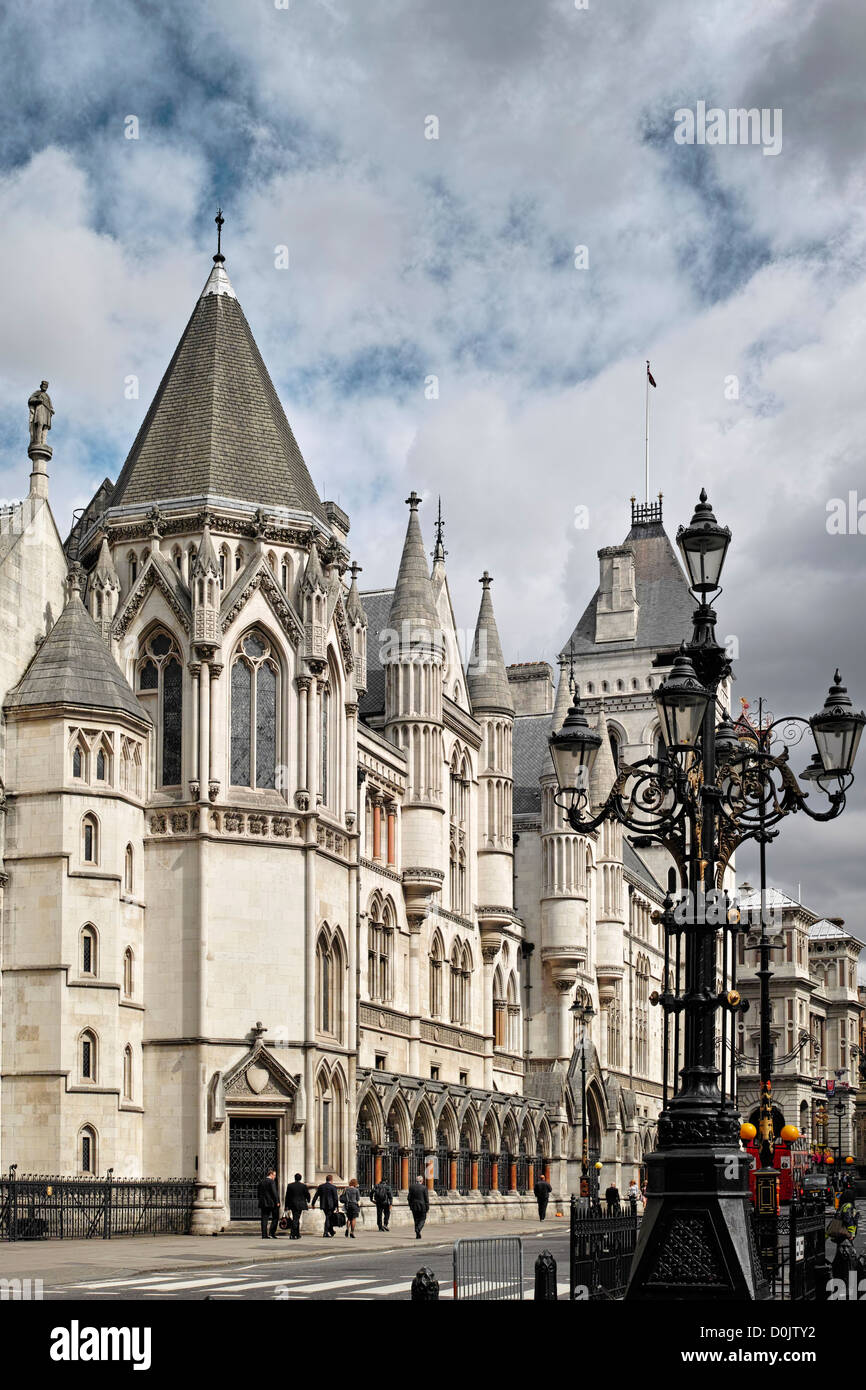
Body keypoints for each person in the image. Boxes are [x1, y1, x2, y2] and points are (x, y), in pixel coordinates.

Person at [283, 1173, 310, 1240]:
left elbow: (287, 1196)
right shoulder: (303, 1186)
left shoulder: (290, 1185)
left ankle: (297, 1234)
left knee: (296, 1218)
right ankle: (293, 1234)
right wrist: (308, 1200)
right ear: (300, 1178)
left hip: (292, 1204)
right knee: (296, 1219)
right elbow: (307, 1194)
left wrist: (286, 1206)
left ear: (295, 1178)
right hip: (300, 1204)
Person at [257, 1168, 280, 1241]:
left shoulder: (261, 1182)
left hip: (263, 1203)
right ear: (271, 1174)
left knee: (264, 1219)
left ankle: (264, 1234)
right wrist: (277, 1201)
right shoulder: (271, 1182)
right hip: (271, 1203)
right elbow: (274, 1193)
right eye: (274, 1175)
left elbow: (258, 1193)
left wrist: (260, 1200)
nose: (275, 1177)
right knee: (275, 1217)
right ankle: (272, 1233)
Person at [407, 1173, 430, 1239]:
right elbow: (426, 1198)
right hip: (422, 1206)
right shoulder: (424, 1187)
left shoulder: (411, 1187)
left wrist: (410, 1205)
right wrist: (427, 1208)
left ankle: (417, 1234)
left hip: (414, 1206)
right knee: (422, 1219)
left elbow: (409, 1197)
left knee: (416, 1219)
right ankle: (418, 1229)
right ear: (422, 1181)